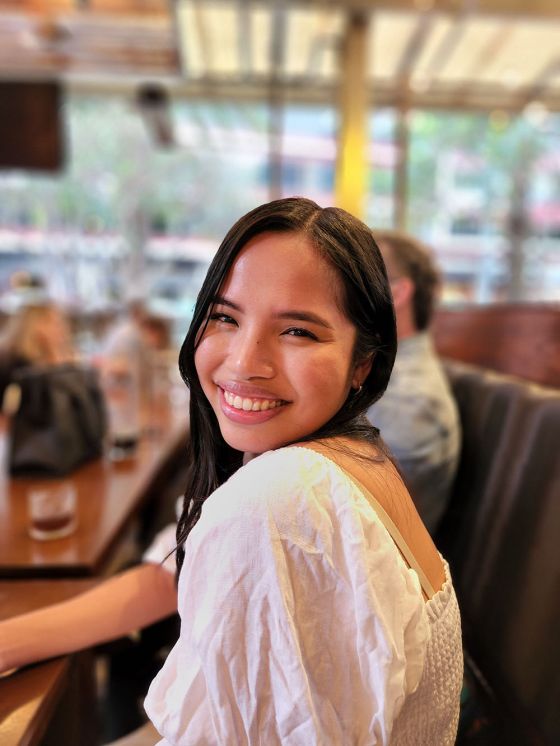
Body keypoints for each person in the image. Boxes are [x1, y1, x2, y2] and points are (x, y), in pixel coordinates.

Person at [0, 199, 463, 745]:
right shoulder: (345, 454)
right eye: (224, 317)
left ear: (364, 362)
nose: (244, 362)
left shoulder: (285, 498)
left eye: (298, 332)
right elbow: (169, 570)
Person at [366, 230, 461, 535]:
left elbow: (367, 529)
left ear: (396, 292)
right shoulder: (378, 374)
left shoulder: (410, 401)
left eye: (356, 280)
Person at [0, 300, 75, 407]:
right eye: (54, 323)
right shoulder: (15, 364)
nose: (61, 329)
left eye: (60, 323)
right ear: (33, 326)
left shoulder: (53, 358)